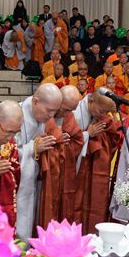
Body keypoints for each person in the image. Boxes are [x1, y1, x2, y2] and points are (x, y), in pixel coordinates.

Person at [15, 83, 62, 239]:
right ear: (35, 101)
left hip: (31, 181)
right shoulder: (16, 115)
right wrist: (33, 147)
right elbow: (5, 153)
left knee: (28, 221)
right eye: (49, 111)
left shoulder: (41, 117)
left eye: (55, 112)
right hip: (15, 184)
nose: (51, 116)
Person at [73, 90, 118, 233]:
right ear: (91, 101)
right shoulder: (75, 113)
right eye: (101, 111)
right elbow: (65, 143)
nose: (102, 115)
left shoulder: (99, 115)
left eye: (106, 112)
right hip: (75, 171)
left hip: (89, 168)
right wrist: (88, 134)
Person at [38, 86, 84, 228]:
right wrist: (53, 141)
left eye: (70, 110)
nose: (66, 114)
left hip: (60, 173)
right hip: (40, 175)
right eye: (65, 109)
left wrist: (63, 144)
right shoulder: (43, 113)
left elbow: (78, 140)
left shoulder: (68, 115)